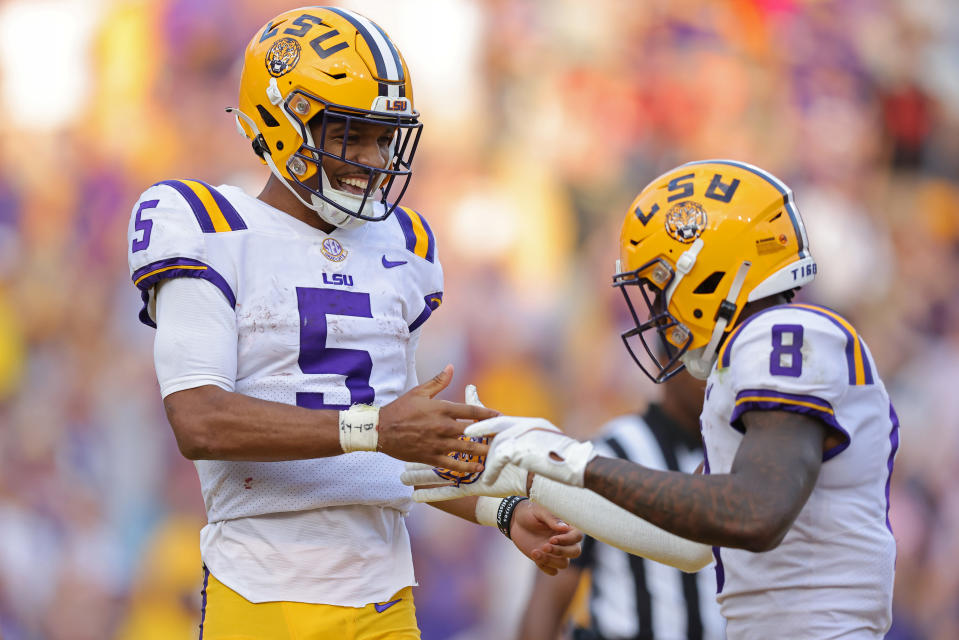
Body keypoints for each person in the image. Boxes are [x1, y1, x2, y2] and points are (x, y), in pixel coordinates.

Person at [126, 7, 580, 639]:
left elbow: (393, 455)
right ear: (282, 123)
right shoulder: (209, 227)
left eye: (382, 138)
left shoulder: (404, 246)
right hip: (264, 596)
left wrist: (501, 510)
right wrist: (374, 428)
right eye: (349, 134)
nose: (371, 158)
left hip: (384, 598)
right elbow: (199, 419)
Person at [442, 160, 899, 639]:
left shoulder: (784, 333)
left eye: (660, 287)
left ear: (704, 273)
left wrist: (572, 459)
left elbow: (756, 512)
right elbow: (689, 543)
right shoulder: (749, 358)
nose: (658, 312)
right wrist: (533, 475)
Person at [517, 371, 724, 640]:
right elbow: (547, 601)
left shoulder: (743, 452)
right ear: (667, 360)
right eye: (701, 357)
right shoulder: (608, 453)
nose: (710, 373)